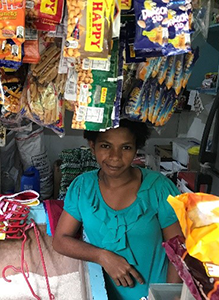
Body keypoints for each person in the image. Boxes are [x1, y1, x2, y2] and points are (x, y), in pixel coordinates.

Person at [52, 119, 183, 300]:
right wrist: (102, 256)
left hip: (153, 295)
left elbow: (178, 249)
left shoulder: (158, 188)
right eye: (106, 146)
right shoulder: (83, 187)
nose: (115, 156)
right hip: (102, 294)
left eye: (126, 148)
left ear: (136, 149)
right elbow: (60, 240)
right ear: (93, 146)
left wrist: (168, 296)